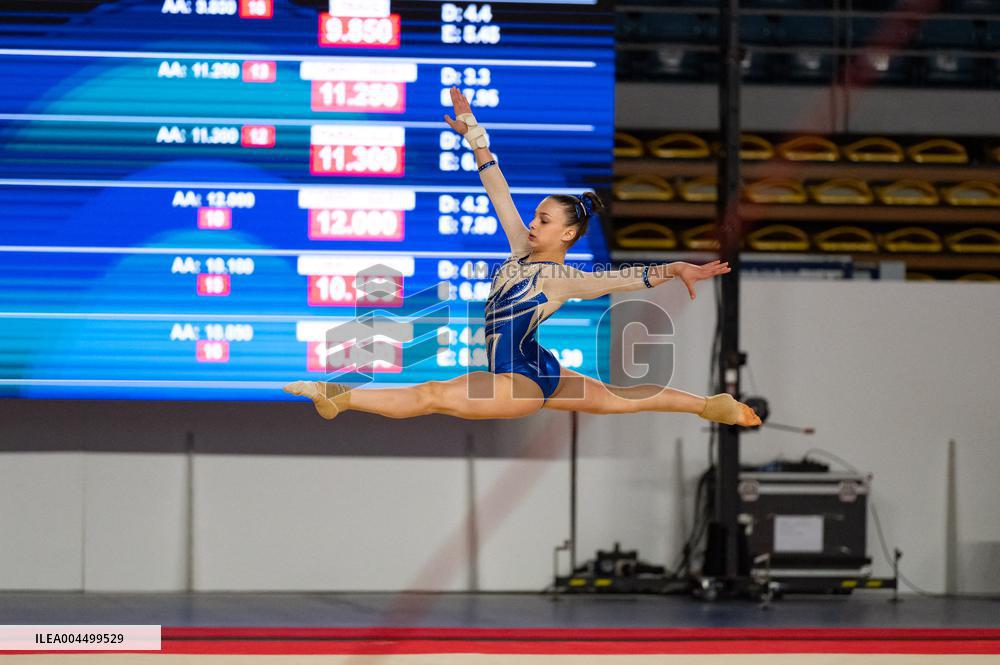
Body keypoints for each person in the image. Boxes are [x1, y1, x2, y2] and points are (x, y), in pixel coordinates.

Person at [284, 86, 761, 428]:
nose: (533, 224)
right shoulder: (521, 253)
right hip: (540, 367)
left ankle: (339, 396)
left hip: (520, 382)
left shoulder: (559, 278)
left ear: (568, 234)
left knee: (432, 395)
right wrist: (474, 135)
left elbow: (621, 279)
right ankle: (709, 405)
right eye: (536, 217)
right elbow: (499, 192)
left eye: (545, 221)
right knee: (620, 399)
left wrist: (675, 268)